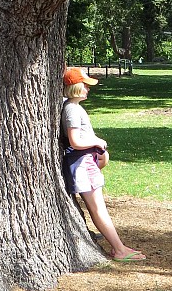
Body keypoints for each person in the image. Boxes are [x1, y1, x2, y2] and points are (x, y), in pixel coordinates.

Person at [61, 66, 146, 262]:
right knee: (98, 209)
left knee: (98, 208)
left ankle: (119, 246)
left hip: (86, 163)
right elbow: (75, 141)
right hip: (83, 164)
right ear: (74, 87)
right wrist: (97, 142)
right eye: (85, 85)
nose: (88, 89)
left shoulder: (72, 107)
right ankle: (118, 250)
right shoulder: (73, 110)